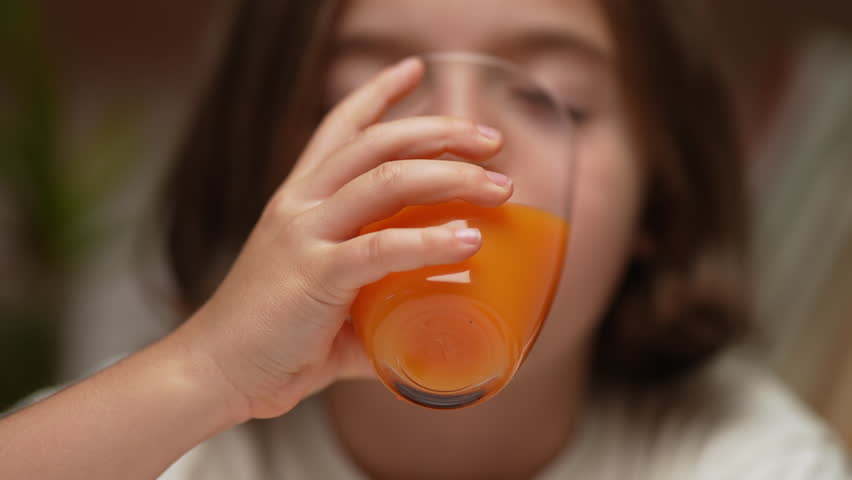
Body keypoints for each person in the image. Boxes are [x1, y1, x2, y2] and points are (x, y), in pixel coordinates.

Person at [1, 0, 849, 478]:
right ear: (271, 174)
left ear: (658, 202)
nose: (455, 139)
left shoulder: (738, 456)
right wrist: (205, 374)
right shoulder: (161, 444)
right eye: (372, 95)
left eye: (554, 98)